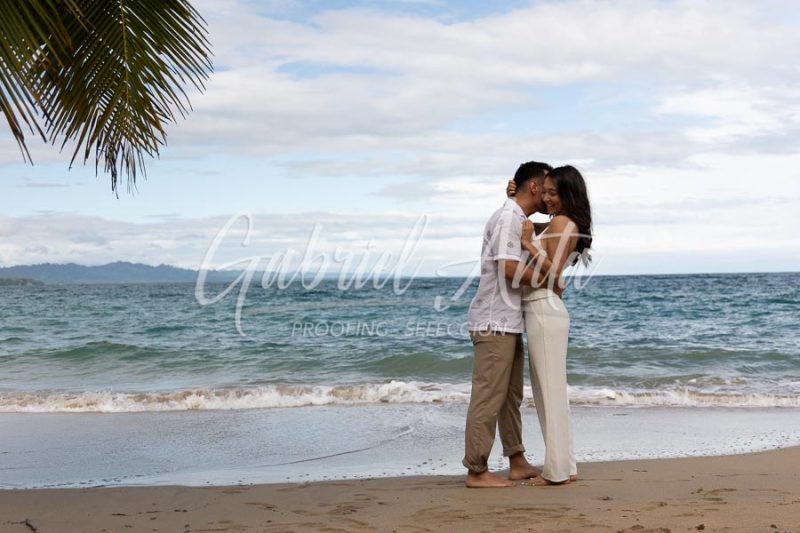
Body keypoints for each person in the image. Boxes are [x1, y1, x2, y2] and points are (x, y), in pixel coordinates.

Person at [463, 161, 552, 488]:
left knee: (509, 396)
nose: (550, 194)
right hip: (493, 321)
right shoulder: (507, 218)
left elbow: (550, 226)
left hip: (508, 321)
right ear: (534, 186)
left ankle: (517, 461)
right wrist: (547, 279)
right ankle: (476, 470)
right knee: (488, 397)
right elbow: (508, 268)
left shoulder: (519, 219)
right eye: (548, 188)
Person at [507, 165, 592, 486]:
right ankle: (565, 466)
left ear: (568, 193)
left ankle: (556, 472)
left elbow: (555, 274)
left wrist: (528, 244)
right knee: (552, 393)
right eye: (543, 192)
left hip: (543, 309)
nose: (546, 198)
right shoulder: (562, 222)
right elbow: (530, 221)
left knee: (549, 394)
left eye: (553, 193)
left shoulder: (561, 223)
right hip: (545, 309)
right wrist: (513, 198)